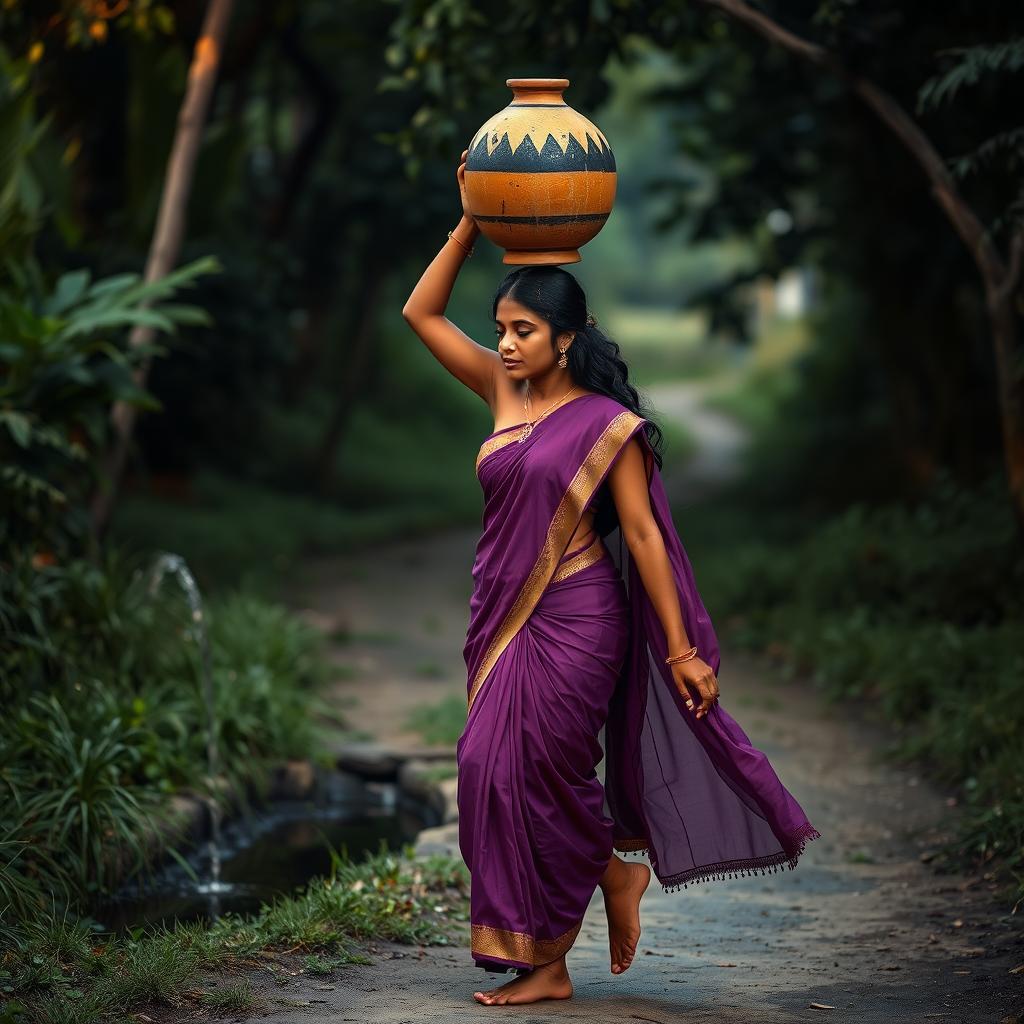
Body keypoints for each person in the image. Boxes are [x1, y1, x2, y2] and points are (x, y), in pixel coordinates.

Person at [400, 150, 821, 1007]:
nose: (508, 344)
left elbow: (643, 535)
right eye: (503, 329)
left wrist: (678, 649)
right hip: (502, 616)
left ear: (566, 338)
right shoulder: (499, 391)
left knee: (547, 770)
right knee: (485, 766)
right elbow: (420, 310)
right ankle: (609, 872)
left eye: (524, 331)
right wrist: (476, 219)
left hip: (580, 614)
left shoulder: (608, 424)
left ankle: (549, 964)